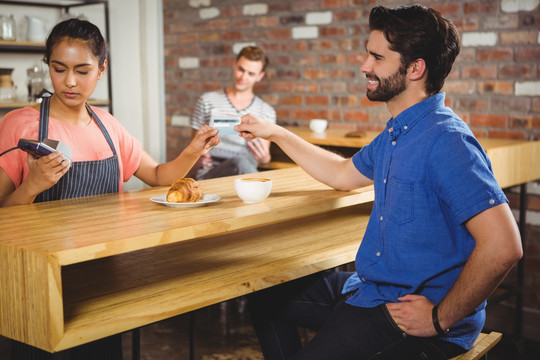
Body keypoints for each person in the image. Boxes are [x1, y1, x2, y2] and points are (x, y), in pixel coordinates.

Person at [236, 5, 522, 360]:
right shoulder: (395, 133)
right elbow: (342, 174)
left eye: (376, 57)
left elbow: (504, 246)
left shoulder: (446, 141)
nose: (364, 66)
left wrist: (439, 318)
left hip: (414, 315)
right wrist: (276, 133)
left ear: (415, 68)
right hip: (374, 291)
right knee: (266, 299)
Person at [0, 18, 219, 358]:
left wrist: (193, 150)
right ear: (48, 67)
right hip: (38, 284)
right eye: (59, 69)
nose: (69, 81)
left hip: (104, 276)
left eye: (82, 71)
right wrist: (32, 185)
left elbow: (160, 175)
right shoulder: (20, 125)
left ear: (102, 69)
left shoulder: (108, 126)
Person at [189, 45, 276, 180]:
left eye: (251, 73)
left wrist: (265, 158)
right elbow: (192, 148)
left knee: (242, 162)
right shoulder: (207, 101)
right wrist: (197, 156)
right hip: (211, 174)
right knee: (239, 162)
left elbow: (263, 160)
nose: (243, 76)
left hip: (245, 175)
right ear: (234, 65)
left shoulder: (266, 112)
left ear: (260, 76)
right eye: (241, 69)